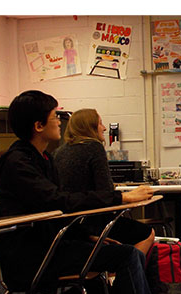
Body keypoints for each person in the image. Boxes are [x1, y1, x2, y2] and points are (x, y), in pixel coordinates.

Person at [0, 90, 181, 294]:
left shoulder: (44, 158)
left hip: (52, 245)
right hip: (31, 257)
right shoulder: (18, 163)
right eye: (54, 117)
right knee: (126, 256)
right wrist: (121, 199)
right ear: (38, 126)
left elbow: (56, 210)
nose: (60, 122)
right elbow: (58, 202)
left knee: (119, 254)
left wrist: (88, 236)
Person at [53, 108, 155, 256]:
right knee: (147, 233)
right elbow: (107, 193)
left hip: (68, 226)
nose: (104, 128)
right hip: (93, 222)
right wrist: (128, 197)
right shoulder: (94, 147)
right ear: (90, 127)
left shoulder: (58, 152)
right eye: (100, 123)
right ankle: (123, 275)